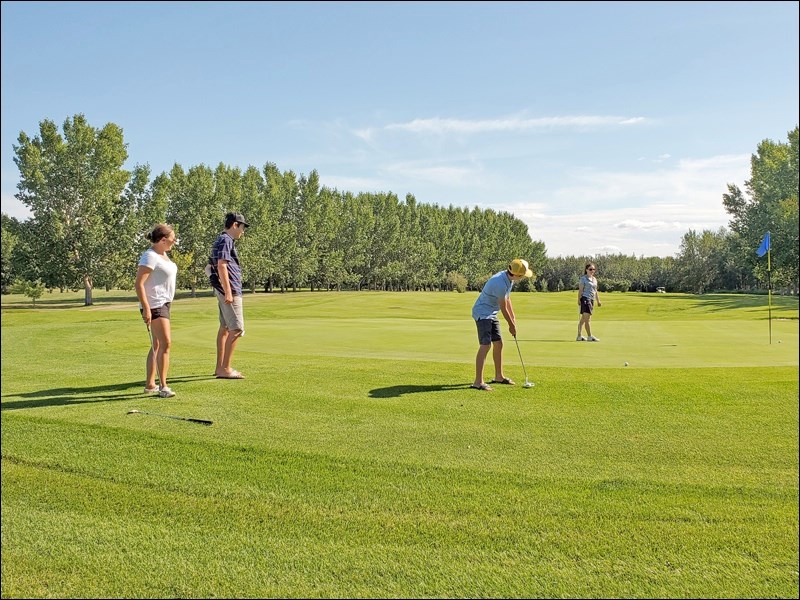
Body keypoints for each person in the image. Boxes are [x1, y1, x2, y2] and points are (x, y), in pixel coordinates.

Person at [471, 258, 533, 391]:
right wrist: (511, 325)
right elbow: (503, 307)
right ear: (516, 274)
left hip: (491, 313)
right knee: (485, 345)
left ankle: (499, 376)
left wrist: (513, 317)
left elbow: (507, 299)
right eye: (522, 275)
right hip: (482, 313)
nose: (522, 278)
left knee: (498, 343)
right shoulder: (499, 282)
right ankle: (478, 382)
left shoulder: (508, 279)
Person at [135, 224, 179, 398]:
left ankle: (150, 384)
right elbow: (139, 284)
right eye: (172, 238)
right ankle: (163, 386)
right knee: (166, 343)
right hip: (155, 304)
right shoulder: (150, 256)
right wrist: (146, 308)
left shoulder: (163, 255)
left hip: (164, 303)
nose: (174, 241)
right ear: (162, 240)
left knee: (158, 344)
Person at [208, 211, 249, 379]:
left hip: (225, 289)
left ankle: (220, 367)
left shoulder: (222, 240)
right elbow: (222, 266)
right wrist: (227, 291)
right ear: (234, 225)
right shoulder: (226, 240)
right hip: (230, 289)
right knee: (237, 328)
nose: (243, 231)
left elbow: (211, 267)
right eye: (242, 227)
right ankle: (225, 368)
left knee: (225, 328)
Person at [576, 262, 602, 341]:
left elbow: (595, 290)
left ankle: (579, 336)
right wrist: (579, 299)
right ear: (586, 270)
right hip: (585, 299)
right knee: (587, 319)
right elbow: (580, 290)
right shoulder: (583, 279)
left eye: (593, 269)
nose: (592, 271)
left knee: (583, 319)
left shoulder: (594, 279)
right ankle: (590, 336)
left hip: (591, 299)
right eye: (590, 269)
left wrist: (598, 300)